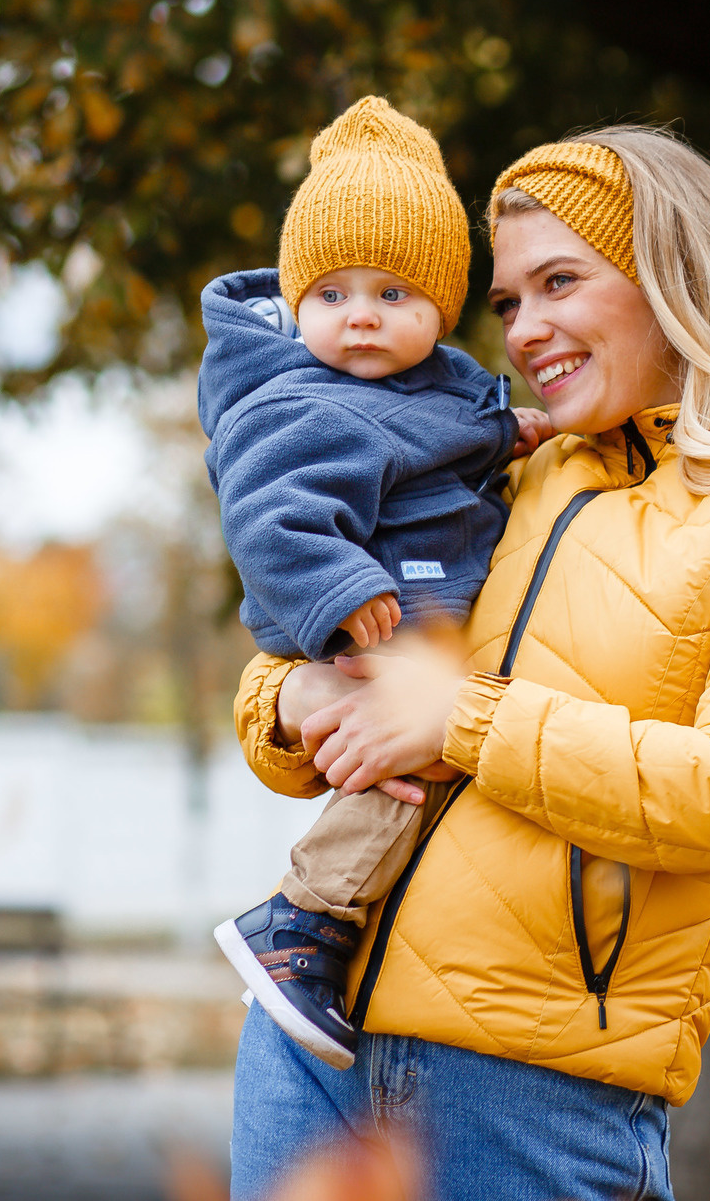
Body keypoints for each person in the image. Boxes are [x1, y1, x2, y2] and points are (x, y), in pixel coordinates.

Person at [225, 127, 710, 1201]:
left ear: (676, 274)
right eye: (507, 302)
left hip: (530, 1098)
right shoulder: (530, 469)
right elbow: (334, 656)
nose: (525, 328)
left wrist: (457, 717)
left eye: (560, 282)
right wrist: (287, 694)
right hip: (311, 1048)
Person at [200, 97, 554, 1069]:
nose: (360, 313)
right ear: (298, 301)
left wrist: (509, 432)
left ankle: (315, 922)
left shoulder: (419, 386)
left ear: (441, 307)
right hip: (373, 617)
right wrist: (338, 589)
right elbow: (268, 513)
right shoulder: (302, 403)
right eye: (332, 293)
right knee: (404, 773)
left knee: (419, 761)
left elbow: (442, 441)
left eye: (393, 293)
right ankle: (303, 916)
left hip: (417, 607)